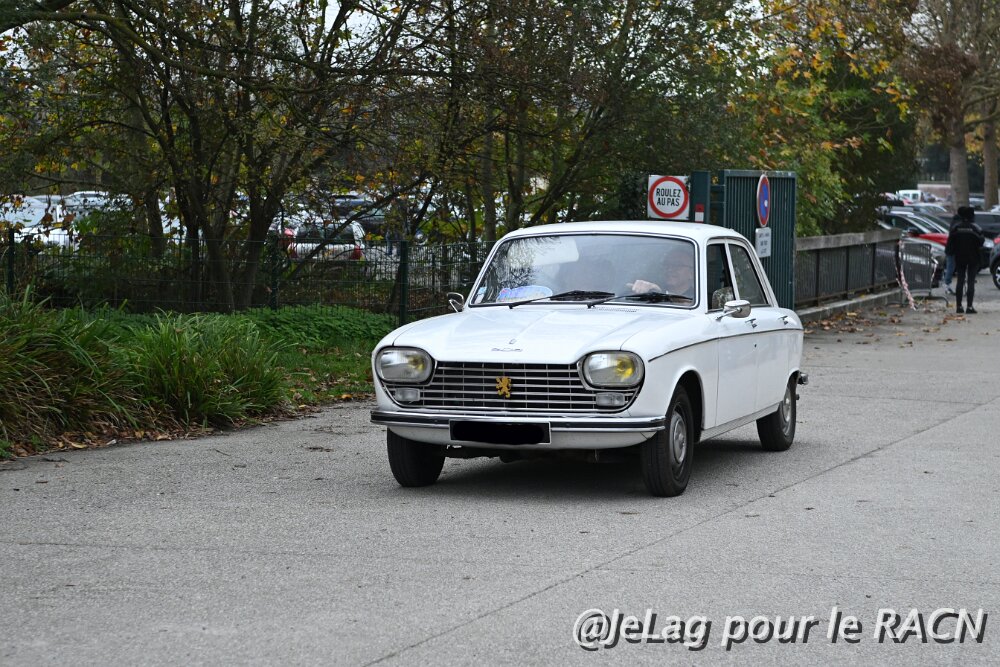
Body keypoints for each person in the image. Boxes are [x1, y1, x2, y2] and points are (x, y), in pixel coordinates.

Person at [945, 206, 985, 314]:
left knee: (960, 280)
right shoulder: (976, 228)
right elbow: (981, 241)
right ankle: (969, 307)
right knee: (971, 281)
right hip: (973, 257)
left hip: (959, 257)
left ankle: (959, 306)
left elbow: (950, 243)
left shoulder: (956, 228)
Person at [628, 247, 695, 299]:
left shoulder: (697, 298)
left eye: (677, 265)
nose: (670, 269)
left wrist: (660, 295)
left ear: (691, 273)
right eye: (667, 264)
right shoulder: (651, 290)